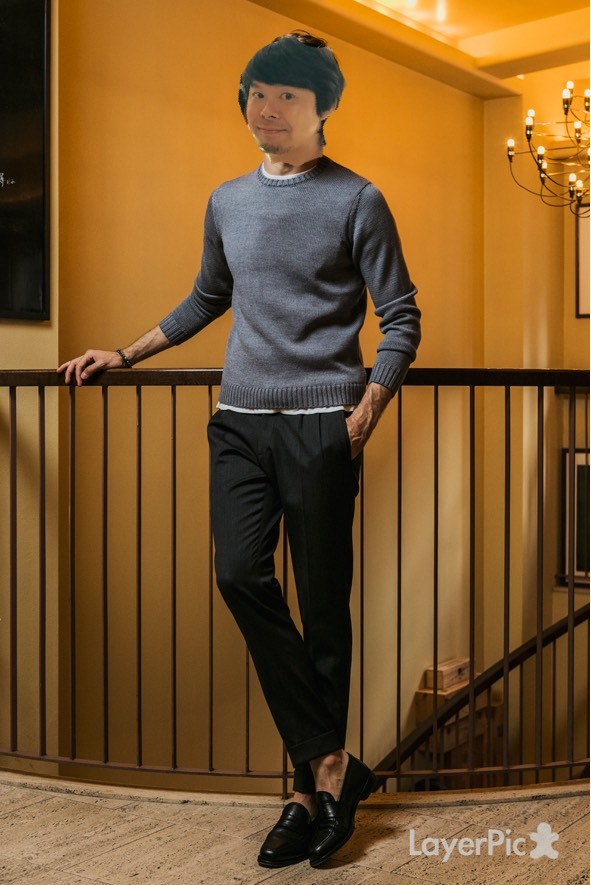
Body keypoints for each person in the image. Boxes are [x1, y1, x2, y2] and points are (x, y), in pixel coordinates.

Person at [58, 30, 421, 869]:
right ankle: (331, 764)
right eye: (259, 91)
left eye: (288, 93)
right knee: (237, 573)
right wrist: (126, 353)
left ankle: (306, 795)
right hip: (239, 422)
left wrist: (364, 410)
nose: (269, 107)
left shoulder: (358, 199)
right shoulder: (226, 200)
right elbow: (207, 297)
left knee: (323, 608)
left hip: (322, 423)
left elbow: (400, 315)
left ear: (322, 106)